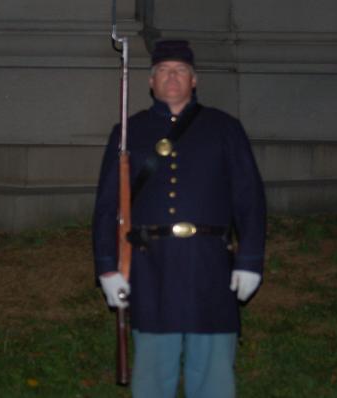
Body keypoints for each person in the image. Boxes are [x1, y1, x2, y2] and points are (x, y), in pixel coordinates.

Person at [92, 40, 266, 398]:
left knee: (214, 372)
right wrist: (107, 267)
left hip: (211, 266)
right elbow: (107, 207)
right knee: (154, 373)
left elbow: (249, 199)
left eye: (181, 71)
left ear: (194, 79)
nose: (173, 77)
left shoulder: (224, 128)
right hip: (151, 267)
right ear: (151, 81)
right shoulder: (129, 131)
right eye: (164, 71)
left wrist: (249, 261)